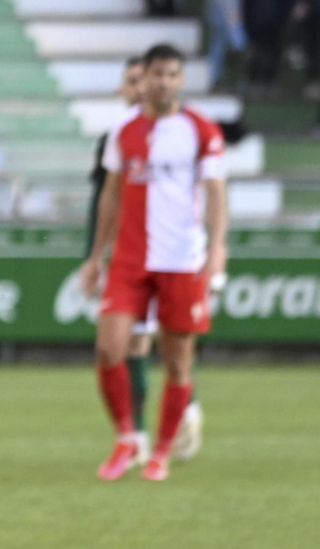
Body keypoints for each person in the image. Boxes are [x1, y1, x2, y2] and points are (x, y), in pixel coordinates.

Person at [81, 44, 226, 482]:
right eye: (156, 74)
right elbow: (110, 195)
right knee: (110, 348)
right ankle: (128, 436)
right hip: (130, 257)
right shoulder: (123, 131)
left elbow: (217, 193)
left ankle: (161, 451)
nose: (163, 82)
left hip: (181, 260)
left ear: (180, 80)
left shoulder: (200, 129)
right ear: (144, 79)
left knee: (178, 359)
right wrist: (95, 256)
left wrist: (217, 248)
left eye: (171, 74)